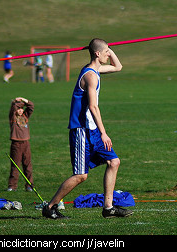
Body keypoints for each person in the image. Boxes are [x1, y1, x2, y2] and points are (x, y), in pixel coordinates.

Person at [42, 38, 133, 219]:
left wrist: (107, 48)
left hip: (92, 131)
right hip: (82, 130)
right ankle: (50, 206)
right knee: (81, 176)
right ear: (97, 54)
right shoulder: (90, 75)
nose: (109, 54)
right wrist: (104, 133)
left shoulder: (96, 69)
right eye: (106, 51)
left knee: (114, 162)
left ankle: (108, 208)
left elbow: (118, 67)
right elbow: (93, 107)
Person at [8, 97, 34, 191]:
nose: (20, 110)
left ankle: (29, 185)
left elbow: (31, 106)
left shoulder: (25, 116)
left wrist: (23, 99)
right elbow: (14, 107)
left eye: (21, 109)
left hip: (26, 143)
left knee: (27, 165)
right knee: (15, 165)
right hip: (16, 144)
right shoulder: (13, 117)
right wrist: (15, 102)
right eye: (18, 109)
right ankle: (12, 186)